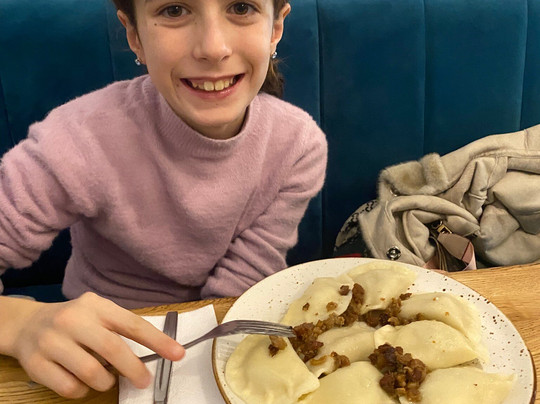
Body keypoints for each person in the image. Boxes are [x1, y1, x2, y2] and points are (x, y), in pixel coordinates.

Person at [0, 0, 327, 399]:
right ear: (134, 35)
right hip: (100, 350)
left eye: (241, 7)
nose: (213, 48)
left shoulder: (299, 146)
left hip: (224, 337)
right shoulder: (79, 138)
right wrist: (18, 322)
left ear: (275, 28)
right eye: (174, 11)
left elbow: (241, 282)